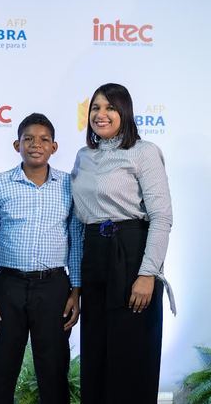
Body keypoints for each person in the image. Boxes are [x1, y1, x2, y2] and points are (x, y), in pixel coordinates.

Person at [71, 83, 175, 404]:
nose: (101, 115)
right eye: (95, 108)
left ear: (125, 112)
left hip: (131, 259)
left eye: (110, 108)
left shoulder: (143, 152)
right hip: (94, 261)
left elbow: (161, 218)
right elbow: (77, 222)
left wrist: (147, 274)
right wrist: (75, 284)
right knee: (96, 358)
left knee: (131, 362)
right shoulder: (83, 156)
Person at [0, 113, 83, 404]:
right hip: (7, 285)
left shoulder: (69, 185)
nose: (36, 144)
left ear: (54, 147)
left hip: (54, 287)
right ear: (16, 144)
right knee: (2, 367)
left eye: (44, 139)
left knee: (53, 370)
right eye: (28, 139)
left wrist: (76, 290)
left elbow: (76, 241)